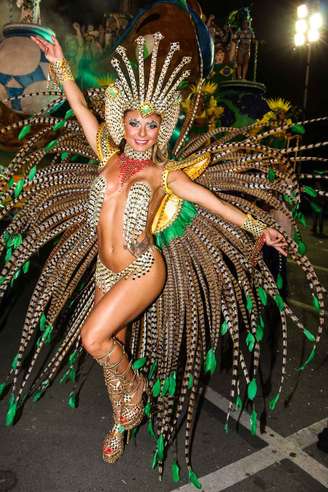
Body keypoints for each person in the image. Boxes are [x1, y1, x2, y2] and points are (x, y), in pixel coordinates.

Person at [0, 31, 325, 484]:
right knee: (121, 343)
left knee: (95, 340)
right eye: (135, 123)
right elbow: (78, 106)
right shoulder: (105, 155)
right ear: (123, 122)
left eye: (152, 126)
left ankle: (135, 391)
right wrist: (60, 64)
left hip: (140, 269)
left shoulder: (164, 174)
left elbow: (213, 201)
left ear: (161, 129)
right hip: (103, 268)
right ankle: (120, 418)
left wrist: (259, 228)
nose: (142, 133)